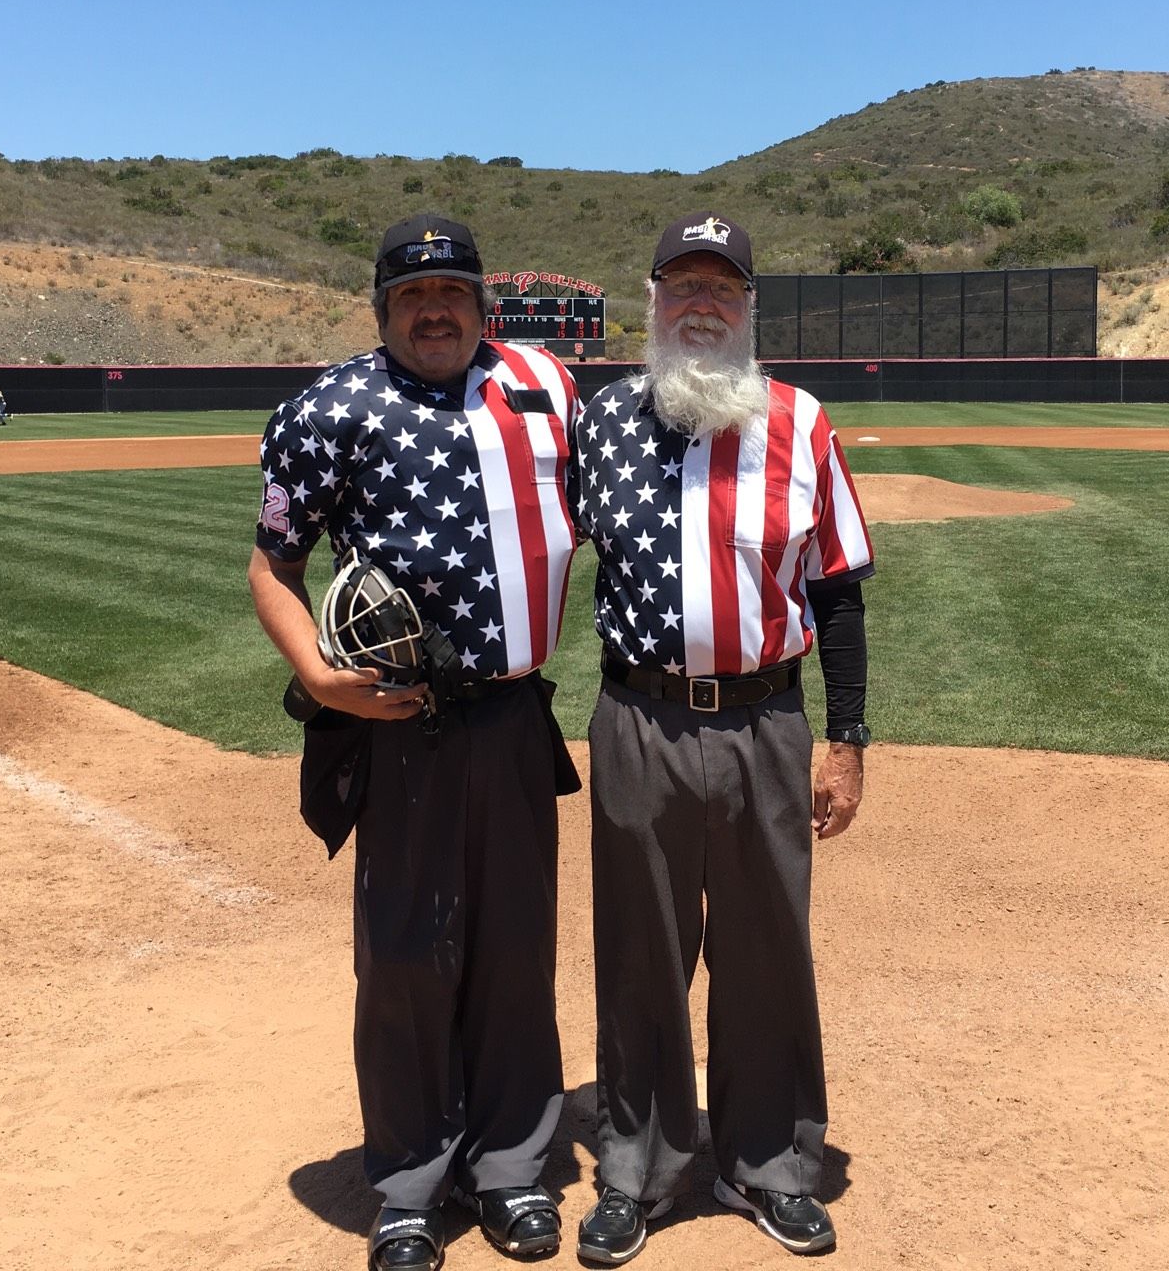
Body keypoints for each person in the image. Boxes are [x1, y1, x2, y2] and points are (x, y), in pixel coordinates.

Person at [247, 214, 582, 1271]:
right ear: (382, 307)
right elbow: (272, 565)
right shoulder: (326, 409)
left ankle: (513, 1169)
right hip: (399, 726)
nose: (434, 312)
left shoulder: (546, 389)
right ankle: (407, 1182)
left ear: (482, 302)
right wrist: (312, 671)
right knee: (402, 955)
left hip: (514, 716)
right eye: (411, 298)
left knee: (514, 951)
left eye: (452, 294)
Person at [571, 211, 873, 1264]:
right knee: (640, 953)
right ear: (650, 300)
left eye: (722, 288)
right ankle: (635, 1167)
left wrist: (847, 740)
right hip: (635, 719)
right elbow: (527, 542)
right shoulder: (597, 424)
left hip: (764, 719)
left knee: (766, 950)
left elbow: (835, 594)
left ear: (748, 308)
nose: (701, 303)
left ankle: (770, 1165)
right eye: (682, 286)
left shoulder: (800, 420)